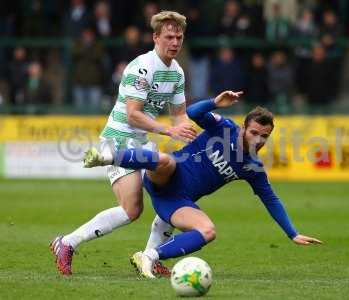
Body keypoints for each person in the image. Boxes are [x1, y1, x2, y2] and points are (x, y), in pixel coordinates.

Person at [84, 90, 322, 279]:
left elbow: (271, 199)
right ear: (243, 128)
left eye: (264, 136)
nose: (258, 140)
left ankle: (148, 257)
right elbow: (194, 112)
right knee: (166, 160)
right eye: (254, 132)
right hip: (165, 176)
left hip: (177, 202)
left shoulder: (253, 168)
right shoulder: (224, 128)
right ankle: (108, 156)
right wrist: (215, 102)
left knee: (208, 231)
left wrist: (292, 233)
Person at [50, 11, 197, 276]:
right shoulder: (142, 67)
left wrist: (189, 132)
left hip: (142, 140)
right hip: (118, 138)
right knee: (132, 209)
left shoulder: (176, 73)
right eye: (169, 37)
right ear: (155, 37)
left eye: (179, 37)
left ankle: (149, 258)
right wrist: (168, 130)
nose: (175, 42)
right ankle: (67, 242)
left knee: (171, 191)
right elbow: (133, 114)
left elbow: (179, 116)